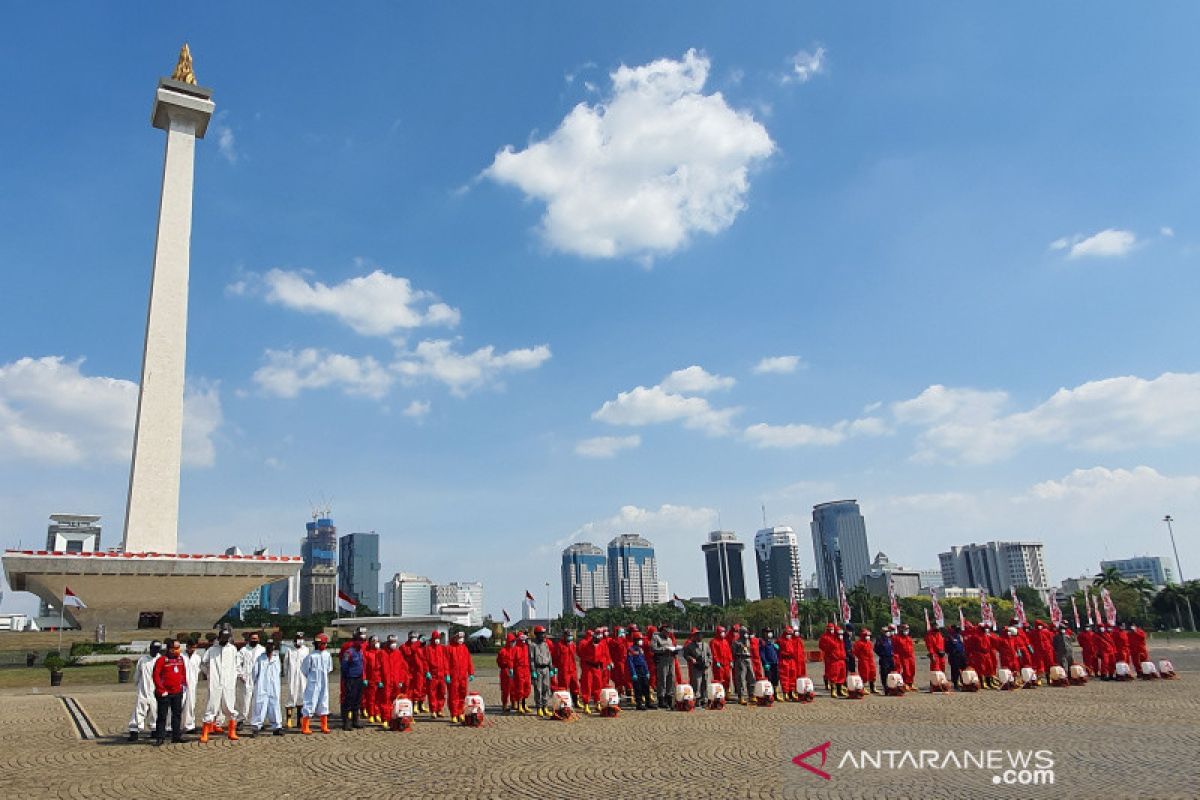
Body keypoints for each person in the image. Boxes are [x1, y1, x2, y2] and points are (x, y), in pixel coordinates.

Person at [201, 625, 239, 743]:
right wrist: (210, 675)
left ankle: (232, 730)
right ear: (219, 637)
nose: (225, 640)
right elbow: (203, 663)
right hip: (215, 681)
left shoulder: (232, 649)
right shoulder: (212, 650)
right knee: (212, 705)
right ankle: (205, 732)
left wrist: (233, 677)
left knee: (229, 705)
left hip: (228, 681)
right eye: (223, 638)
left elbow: (237, 665)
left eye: (227, 638)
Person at [152, 638, 187, 745]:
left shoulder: (180, 659)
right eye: (175, 648)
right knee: (162, 715)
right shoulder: (162, 660)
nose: (177, 650)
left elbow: (182, 673)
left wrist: (183, 685)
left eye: (178, 648)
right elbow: (156, 675)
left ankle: (176, 736)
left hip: (177, 692)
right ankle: (160, 737)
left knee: (177, 714)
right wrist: (161, 689)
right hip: (164, 693)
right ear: (169, 649)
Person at [128, 640, 161, 741]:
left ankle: (154, 729)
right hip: (143, 689)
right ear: (150, 648)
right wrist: (137, 683)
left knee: (155, 711)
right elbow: (138, 673)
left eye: (157, 649)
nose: (155, 651)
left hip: (156, 689)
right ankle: (134, 730)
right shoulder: (143, 660)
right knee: (139, 709)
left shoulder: (161, 659)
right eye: (154, 649)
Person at [300, 632, 332, 735]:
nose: (322, 645)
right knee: (310, 701)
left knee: (324, 701)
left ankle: (324, 726)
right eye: (321, 644)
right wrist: (312, 678)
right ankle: (305, 726)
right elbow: (304, 670)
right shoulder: (311, 656)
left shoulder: (327, 655)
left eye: (323, 643)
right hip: (313, 683)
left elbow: (329, 668)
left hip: (324, 682)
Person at [250, 640, 284, 736]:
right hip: (262, 685)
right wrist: (257, 684)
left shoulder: (276, 658)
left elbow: (279, 672)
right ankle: (256, 727)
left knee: (274, 705)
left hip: (274, 686)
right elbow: (254, 673)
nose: (270, 648)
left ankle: (277, 727)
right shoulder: (260, 658)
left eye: (271, 646)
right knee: (259, 705)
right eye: (268, 645)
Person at [235, 631, 264, 729]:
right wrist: (240, 674)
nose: (254, 640)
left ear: (259, 639)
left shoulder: (262, 650)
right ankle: (241, 720)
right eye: (252, 639)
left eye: (256, 639)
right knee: (244, 701)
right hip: (246, 678)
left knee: (258, 701)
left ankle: (258, 721)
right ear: (249, 639)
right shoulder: (244, 650)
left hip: (259, 679)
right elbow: (237, 663)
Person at [447, 631, 475, 722]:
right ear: (455, 638)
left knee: (462, 694)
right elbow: (446, 663)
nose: (461, 640)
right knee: (453, 695)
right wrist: (447, 674)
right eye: (459, 638)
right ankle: (454, 714)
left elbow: (469, 661)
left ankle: (461, 712)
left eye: (462, 638)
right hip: (453, 676)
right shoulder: (450, 648)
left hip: (463, 676)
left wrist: (471, 673)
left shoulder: (464, 648)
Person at [340, 632, 366, 729]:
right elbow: (344, 666)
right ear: (354, 641)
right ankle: (346, 722)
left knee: (357, 700)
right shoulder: (348, 652)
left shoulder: (360, 651)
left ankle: (356, 720)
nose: (361, 643)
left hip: (359, 678)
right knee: (349, 700)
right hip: (350, 679)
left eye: (362, 641)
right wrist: (346, 679)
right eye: (359, 641)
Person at [283, 632, 309, 728]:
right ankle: (289, 720)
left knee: (302, 697)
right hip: (292, 677)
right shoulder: (289, 650)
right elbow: (285, 664)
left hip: (303, 677)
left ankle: (300, 720)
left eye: (301, 638)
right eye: (298, 638)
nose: (300, 640)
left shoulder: (306, 650)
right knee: (291, 696)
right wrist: (287, 676)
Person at [651, 624, 680, 709]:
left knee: (671, 679)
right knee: (662, 680)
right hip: (662, 661)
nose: (668, 634)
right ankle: (661, 699)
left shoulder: (670, 639)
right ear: (663, 630)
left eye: (669, 632)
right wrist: (664, 649)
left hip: (671, 660)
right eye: (667, 632)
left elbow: (672, 647)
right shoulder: (656, 638)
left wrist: (675, 651)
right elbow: (653, 649)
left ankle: (669, 698)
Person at [683, 628, 712, 707]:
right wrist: (691, 659)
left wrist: (709, 662)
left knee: (705, 683)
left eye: (700, 635)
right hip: (696, 667)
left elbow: (710, 655)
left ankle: (704, 699)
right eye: (697, 635)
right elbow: (685, 655)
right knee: (696, 684)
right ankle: (696, 699)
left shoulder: (706, 645)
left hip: (706, 667)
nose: (699, 636)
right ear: (694, 636)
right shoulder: (689, 646)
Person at [529, 626, 554, 717]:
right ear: (537, 634)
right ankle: (539, 707)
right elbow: (531, 659)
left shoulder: (545, 644)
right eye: (541, 634)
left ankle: (545, 707)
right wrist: (533, 671)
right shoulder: (532, 645)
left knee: (546, 688)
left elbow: (549, 656)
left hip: (546, 669)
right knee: (538, 689)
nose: (543, 635)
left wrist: (551, 668)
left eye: (544, 633)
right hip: (537, 669)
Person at [424, 632, 451, 717]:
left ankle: (440, 709)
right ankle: (433, 710)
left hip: (442, 675)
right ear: (432, 639)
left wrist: (447, 674)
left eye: (438, 639)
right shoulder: (428, 649)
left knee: (442, 693)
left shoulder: (443, 648)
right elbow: (425, 661)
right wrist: (427, 671)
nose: (437, 640)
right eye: (435, 639)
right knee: (432, 693)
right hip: (432, 675)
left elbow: (446, 662)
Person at [401, 632, 428, 712]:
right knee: (409, 689)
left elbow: (424, 659)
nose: (414, 639)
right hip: (408, 671)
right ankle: (412, 704)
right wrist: (417, 643)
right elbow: (408, 652)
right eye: (412, 637)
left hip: (419, 670)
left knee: (422, 688)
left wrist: (426, 670)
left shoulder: (420, 648)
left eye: (416, 637)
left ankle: (421, 704)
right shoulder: (404, 646)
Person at [625, 633, 652, 710]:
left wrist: (647, 671)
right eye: (640, 639)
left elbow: (644, 661)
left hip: (643, 669)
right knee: (638, 688)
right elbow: (630, 662)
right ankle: (639, 704)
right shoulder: (631, 649)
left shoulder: (641, 649)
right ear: (636, 640)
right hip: (636, 670)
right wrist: (633, 673)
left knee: (646, 686)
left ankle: (648, 702)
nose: (641, 641)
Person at [552, 631, 580, 706]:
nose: (570, 637)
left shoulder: (572, 645)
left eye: (570, 636)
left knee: (575, 685)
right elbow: (554, 657)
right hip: (563, 670)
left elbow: (575, 655)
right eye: (568, 636)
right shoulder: (559, 645)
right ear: (564, 636)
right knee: (563, 687)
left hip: (572, 669)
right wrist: (554, 667)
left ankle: (576, 701)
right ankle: (564, 703)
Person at [819, 624, 847, 697]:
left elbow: (842, 648)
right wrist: (830, 653)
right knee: (833, 675)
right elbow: (822, 647)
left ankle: (839, 690)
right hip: (833, 659)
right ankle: (833, 690)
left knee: (841, 675)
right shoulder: (827, 638)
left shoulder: (839, 639)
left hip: (841, 659)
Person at [181, 639, 202, 734]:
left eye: (194, 647)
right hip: (181, 684)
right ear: (187, 647)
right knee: (179, 705)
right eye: (190, 647)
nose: (192, 649)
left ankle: (189, 725)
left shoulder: (197, 658)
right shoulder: (181, 656)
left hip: (192, 684)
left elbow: (199, 670)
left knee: (191, 705)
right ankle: (172, 726)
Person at [383, 635, 408, 713]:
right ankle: (386, 718)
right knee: (386, 699)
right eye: (392, 642)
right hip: (386, 681)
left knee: (397, 699)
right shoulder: (382, 653)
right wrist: (379, 680)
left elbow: (403, 668)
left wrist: (401, 680)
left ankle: (396, 716)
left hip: (396, 682)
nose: (394, 644)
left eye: (395, 642)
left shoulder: (398, 653)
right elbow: (377, 669)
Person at [731, 628, 756, 704]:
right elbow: (733, 653)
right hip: (740, 660)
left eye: (747, 633)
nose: (746, 634)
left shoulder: (748, 641)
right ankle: (741, 696)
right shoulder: (736, 642)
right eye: (744, 633)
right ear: (741, 633)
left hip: (748, 659)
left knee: (751, 677)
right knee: (741, 678)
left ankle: (751, 695)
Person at [363, 636, 385, 723]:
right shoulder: (367, 653)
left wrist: (383, 679)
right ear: (370, 643)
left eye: (377, 641)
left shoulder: (381, 653)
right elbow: (364, 667)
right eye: (373, 641)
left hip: (380, 679)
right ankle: (371, 714)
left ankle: (377, 714)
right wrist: (364, 678)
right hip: (370, 679)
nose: (375, 642)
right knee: (371, 698)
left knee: (379, 699)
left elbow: (384, 667)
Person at [852, 629, 878, 694]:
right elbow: (855, 652)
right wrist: (861, 657)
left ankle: (872, 688)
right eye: (867, 635)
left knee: (873, 673)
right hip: (863, 660)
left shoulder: (869, 643)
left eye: (869, 635)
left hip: (870, 660)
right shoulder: (859, 643)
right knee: (864, 674)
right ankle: (863, 688)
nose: (868, 637)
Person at [892, 624, 916, 691]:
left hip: (910, 656)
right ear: (901, 630)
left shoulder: (908, 638)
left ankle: (910, 683)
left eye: (907, 629)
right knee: (906, 671)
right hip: (902, 656)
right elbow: (894, 648)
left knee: (912, 670)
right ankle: (905, 683)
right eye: (905, 629)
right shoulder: (896, 638)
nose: (906, 631)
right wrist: (896, 657)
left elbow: (911, 647)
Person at [709, 627, 733, 694]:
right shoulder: (713, 642)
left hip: (726, 664)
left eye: (724, 632)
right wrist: (717, 662)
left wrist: (731, 661)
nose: (723, 633)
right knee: (719, 679)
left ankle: (727, 693)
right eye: (722, 632)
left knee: (727, 678)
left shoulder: (725, 641)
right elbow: (714, 653)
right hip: (719, 665)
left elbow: (729, 652)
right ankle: (720, 693)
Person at [758, 628, 780, 692]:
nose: (769, 634)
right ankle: (770, 691)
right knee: (769, 678)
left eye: (770, 632)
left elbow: (776, 652)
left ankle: (776, 691)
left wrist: (777, 659)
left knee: (776, 677)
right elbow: (762, 653)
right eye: (767, 632)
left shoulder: (773, 641)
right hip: (768, 663)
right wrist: (765, 662)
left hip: (775, 662)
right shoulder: (762, 642)